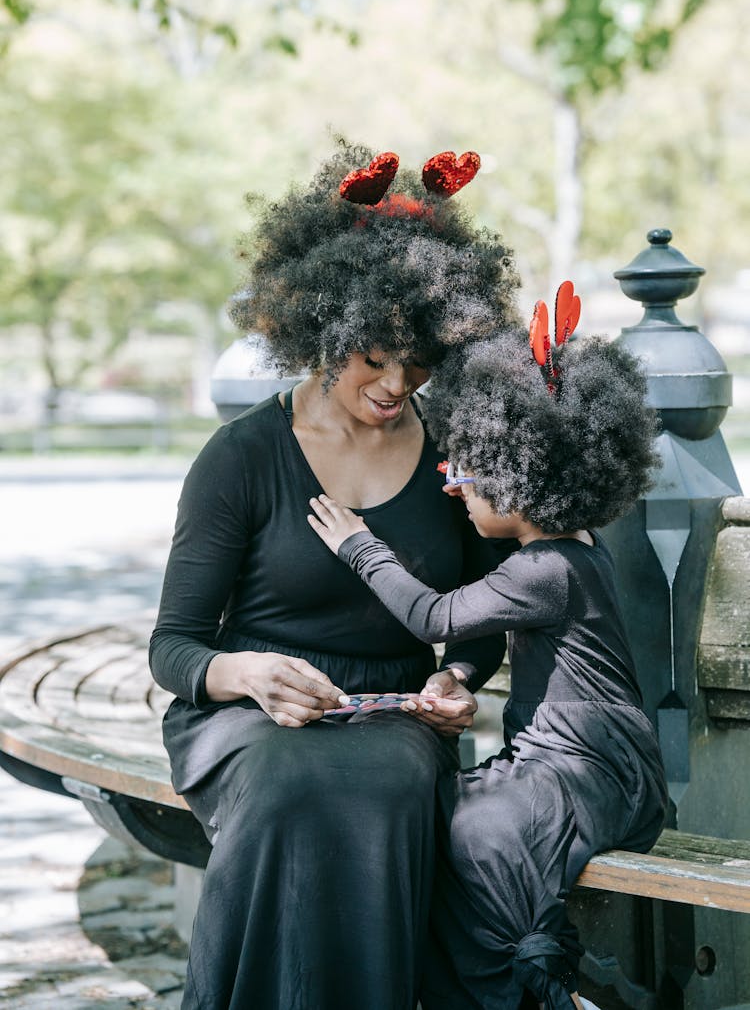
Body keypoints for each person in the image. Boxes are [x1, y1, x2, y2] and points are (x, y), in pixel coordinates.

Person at [148, 142, 520, 1010]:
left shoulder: (451, 456)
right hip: (246, 710)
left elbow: (478, 620)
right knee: (284, 784)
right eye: (374, 359)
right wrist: (247, 674)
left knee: (388, 784)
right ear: (327, 331)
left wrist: (455, 675)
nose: (398, 384)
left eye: (421, 362)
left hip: (391, 710)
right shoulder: (241, 457)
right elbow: (173, 647)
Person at [307, 316, 669, 1010]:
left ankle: (540, 983)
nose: (453, 482)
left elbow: (434, 617)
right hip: (568, 761)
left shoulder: (548, 568)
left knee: (483, 826)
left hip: (594, 768)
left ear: (521, 479)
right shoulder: (562, 550)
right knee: (447, 812)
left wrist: (361, 545)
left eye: (471, 469)